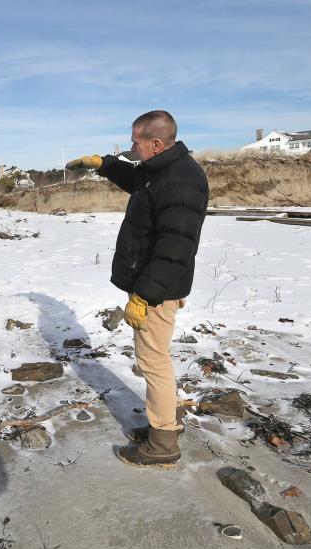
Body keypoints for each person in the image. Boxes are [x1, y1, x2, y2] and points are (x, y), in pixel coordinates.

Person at [66, 110, 209, 467]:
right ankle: (167, 423)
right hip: (154, 282)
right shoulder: (163, 170)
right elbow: (136, 179)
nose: (132, 147)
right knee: (155, 358)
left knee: (153, 361)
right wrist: (105, 164)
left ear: (156, 143)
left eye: (136, 142)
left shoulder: (181, 181)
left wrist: (145, 294)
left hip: (157, 289)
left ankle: (163, 442)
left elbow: (175, 245)